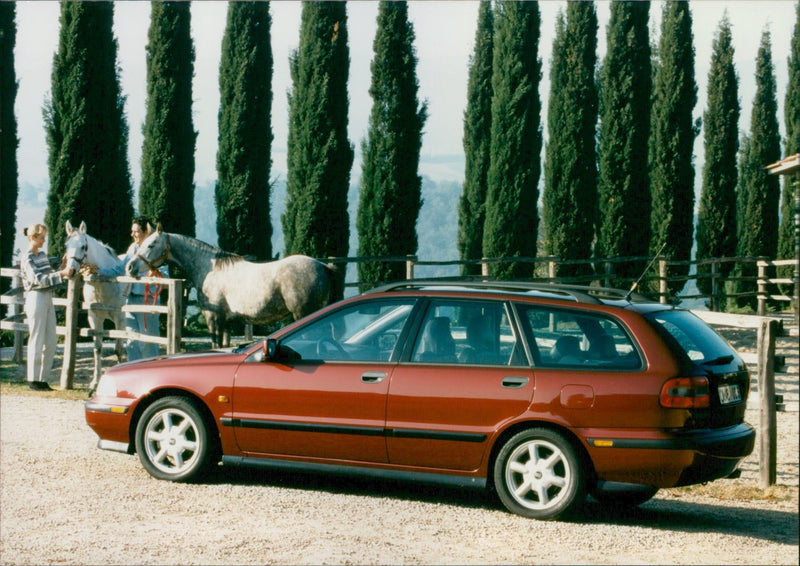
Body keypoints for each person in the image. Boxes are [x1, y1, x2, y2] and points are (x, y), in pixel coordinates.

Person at [96, 216, 168, 360]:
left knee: (149, 342)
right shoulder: (133, 248)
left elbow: (165, 275)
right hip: (130, 299)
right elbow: (119, 270)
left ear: (145, 232)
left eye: (136, 231)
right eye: (132, 231)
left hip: (148, 301)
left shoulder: (156, 248)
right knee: (131, 341)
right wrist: (97, 271)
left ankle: (151, 375)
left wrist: (153, 274)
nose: (132, 234)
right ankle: (133, 374)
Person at [20, 223, 74, 391]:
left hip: (47, 296)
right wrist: (62, 274)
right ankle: (33, 379)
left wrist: (62, 268)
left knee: (51, 339)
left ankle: (43, 378)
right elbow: (40, 280)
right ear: (32, 237)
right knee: (36, 338)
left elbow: (50, 275)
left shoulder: (41, 255)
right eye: (41, 237)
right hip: (35, 296)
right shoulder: (27, 258)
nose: (44, 241)